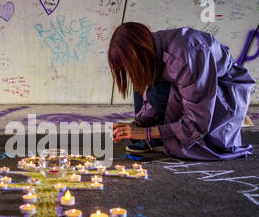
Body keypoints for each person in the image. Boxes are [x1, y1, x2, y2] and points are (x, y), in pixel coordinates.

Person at [109, 22, 255, 160]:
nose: (128, 73)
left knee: (154, 90)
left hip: (223, 96)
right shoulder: (150, 51)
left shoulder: (186, 57)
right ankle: (154, 139)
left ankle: (158, 138)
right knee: (142, 80)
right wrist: (138, 125)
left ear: (138, 54)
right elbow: (150, 100)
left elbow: (197, 122)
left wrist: (146, 133)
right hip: (193, 88)